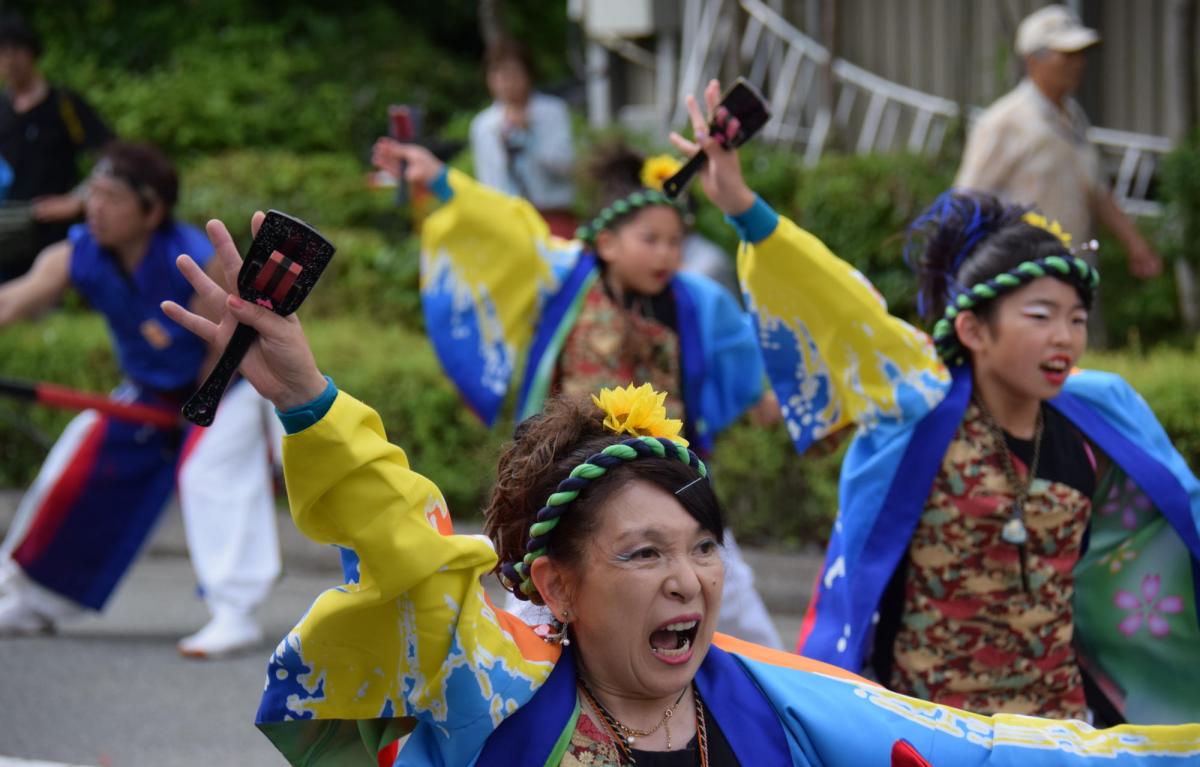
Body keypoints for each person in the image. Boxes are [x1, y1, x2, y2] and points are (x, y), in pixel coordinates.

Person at [159, 223, 1200, 765]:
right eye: (643, 553)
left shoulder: (771, 705)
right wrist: (304, 393)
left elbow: (994, 752)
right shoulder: (495, 689)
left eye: (700, 546)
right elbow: (407, 538)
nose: (689, 580)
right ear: (555, 584)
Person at [670, 79, 1200, 724]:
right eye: (1041, 315)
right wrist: (746, 208)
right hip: (930, 730)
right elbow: (839, 301)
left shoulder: (1102, 414)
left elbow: (1181, 509)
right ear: (974, 330)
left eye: (1076, 319)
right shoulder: (918, 403)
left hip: (1059, 729)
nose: (1065, 337)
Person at [372, 137, 782, 648]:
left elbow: (738, 345)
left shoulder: (695, 300)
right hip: (573, 464)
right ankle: (520, 667)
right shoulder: (565, 275)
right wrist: (440, 180)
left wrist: (762, 395)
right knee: (542, 574)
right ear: (606, 243)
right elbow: (507, 226)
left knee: (723, 576)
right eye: (650, 239)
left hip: (665, 466)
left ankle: (776, 681)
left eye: (675, 242)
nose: (666, 253)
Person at [0, 141, 282, 658]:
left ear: (151, 210)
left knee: (208, 476)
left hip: (228, 385)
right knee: (72, 466)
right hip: (148, 393)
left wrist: (193, 412)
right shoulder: (75, 254)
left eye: (112, 197)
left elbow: (222, 348)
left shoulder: (192, 260)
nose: (96, 208)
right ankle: (32, 597)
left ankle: (234, 612)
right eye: (93, 195)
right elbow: (13, 299)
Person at [955, 6, 1161, 303]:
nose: (1077, 64)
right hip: (1019, 273)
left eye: (1080, 55)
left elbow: (1097, 191)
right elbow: (966, 200)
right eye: (1066, 55)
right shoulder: (1004, 121)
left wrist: (1135, 244)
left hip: (1069, 268)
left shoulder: (1073, 117)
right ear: (1032, 60)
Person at [0, 13, 113, 280]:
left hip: (52, 233)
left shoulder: (64, 104)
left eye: (16, 50)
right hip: (6, 232)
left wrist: (77, 200)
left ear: (32, 53)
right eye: (2, 52)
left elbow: (111, 159)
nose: (9, 60)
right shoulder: (1, 109)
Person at [469, 38, 577, 238]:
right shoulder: (483, 125)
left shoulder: (552, 112)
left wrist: (529, 133)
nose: (507, 82)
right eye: (498, 74)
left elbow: (564, 166)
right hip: (505, 220)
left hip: (552, 215)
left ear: (528, 74)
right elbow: (487, 181)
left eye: (513, 73)